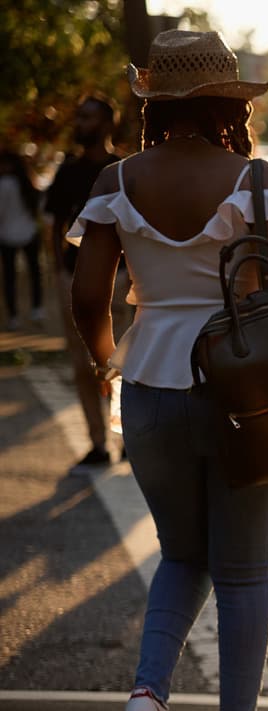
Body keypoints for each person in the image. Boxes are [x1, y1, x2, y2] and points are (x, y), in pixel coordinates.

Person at [70, 30, 268, 711]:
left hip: (150, 383)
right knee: (240, 571)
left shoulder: (115, 180)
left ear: (155, 103)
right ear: (228, 102)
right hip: (239, 389)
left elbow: (87, 293)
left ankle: (147, 697)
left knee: (179, 552)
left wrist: (109, 360)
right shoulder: (256, 181)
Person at [44, 95, 130, 470]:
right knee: (83, 363)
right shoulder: (69, 171)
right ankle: (98, 443)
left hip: (122, 278)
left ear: (108, 123)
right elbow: (54, 225)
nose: (80, 123)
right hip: (74, 278)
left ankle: (127, 436)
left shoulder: (123, 169)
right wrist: (58, 273)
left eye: (88, 117)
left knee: (124, 361)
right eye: (79, 116)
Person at [0, 150, 44, 331]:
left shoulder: (4, 184)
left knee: (9, 277)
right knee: (35, 272)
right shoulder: (28, 182)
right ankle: (37, 309)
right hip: (30, 232)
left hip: (6, 234)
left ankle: (13, 316)